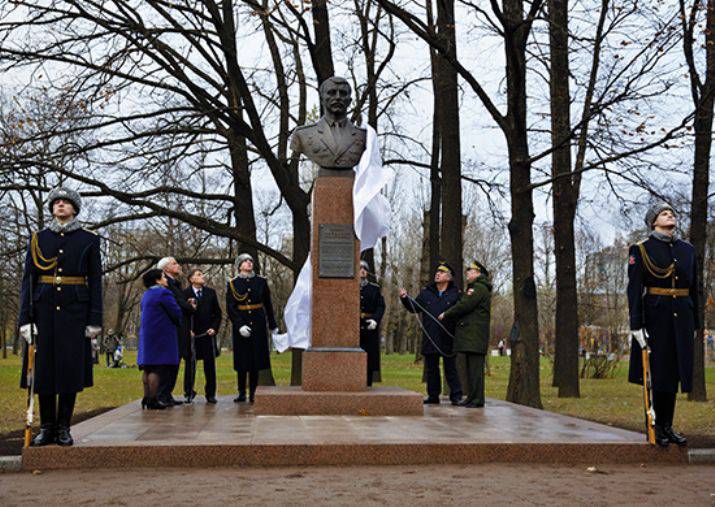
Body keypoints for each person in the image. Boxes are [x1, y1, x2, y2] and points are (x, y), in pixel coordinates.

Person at [18, 187, 103, 446]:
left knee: (68, 370)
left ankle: (64, 427)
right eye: (57, 202)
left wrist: (94, 320)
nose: (61, 205)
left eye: (66, 202)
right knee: (43, 370)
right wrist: (25, 318)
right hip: (43, 311)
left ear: (75, 209)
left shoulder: (89, 239)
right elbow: (28, 281)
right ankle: (47, 427)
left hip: (74, 312)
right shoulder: (38, 239)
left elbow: (95, 281)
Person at [627, 203, 697, 447]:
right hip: (657, 317)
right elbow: (634, 289)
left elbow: (694, 288)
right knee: (658, 373)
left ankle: (668, 424)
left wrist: (695, 322)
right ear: (653, 221)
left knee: (675, 372)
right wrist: (636, 324)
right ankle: (655, 425)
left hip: (682, 317)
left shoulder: (687, 250)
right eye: (664, 213)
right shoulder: (642, 249)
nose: (671, 215)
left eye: (672, 213)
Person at [399, 261, 462, 405]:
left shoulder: (456, 294)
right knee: (432, 369)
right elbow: (414, 308)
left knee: (450, 368)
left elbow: (460, 312)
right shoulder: (426, 292)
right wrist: (404, 298)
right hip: (430, 336)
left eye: (442, 272)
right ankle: (433, 396)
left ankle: (456, 396)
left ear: (449, 277)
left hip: (448, 337)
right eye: (437, 272)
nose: (438, 274)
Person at [439, 261, 492, 408]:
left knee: (475, 371)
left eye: (470, 270)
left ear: (478, 272)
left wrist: (446, 314)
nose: (467, 272)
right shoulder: (476, 288)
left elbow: (465, 305)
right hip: (471, 336)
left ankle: (477, 400)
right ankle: (471, 398)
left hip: (474, 336)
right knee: (471, 370)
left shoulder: (478, 288)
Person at [226, 254, 278, 403]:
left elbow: (268, 304)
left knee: (255, 359)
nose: (249, 263)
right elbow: (231, 307)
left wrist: (273, 325)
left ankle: (254, 392)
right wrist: (239, 324)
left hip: (258, 321)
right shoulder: (232, 283)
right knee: (242, 358)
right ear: (239, 265)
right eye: (245, 261)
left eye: (250, 261)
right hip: (241, 322)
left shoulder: (261, 281)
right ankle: (242, 392)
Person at [137, 269, 182, 410]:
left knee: (147, 367)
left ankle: (146, 397)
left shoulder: (146, 294)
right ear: (157, 280)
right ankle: (153, 399)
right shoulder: (163, 293)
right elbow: (176, 312)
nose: (166, 279)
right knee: (157, 368)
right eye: (163, 277)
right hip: (161, 334)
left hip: (147, 334)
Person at [156, 257, 195, 405]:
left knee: (176, 361)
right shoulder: (165, 284)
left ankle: (167, 394)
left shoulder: (175, 283)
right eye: (174, 263)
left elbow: (181, 301)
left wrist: (187, 304)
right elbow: (177, 303)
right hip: (172, 327)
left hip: (180, 326)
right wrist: (189, 307)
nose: (178, 265)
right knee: (169, 361)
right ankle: (161, 394)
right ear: (165, 268)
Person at [183, 268, 222, 404]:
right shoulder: (184, 293)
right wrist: (188, 329)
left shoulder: (210, 293)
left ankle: (210, 394)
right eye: (199, 275)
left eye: (202, 274)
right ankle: (188, 393)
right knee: (190, 366)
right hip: (192, 335)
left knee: (210, 366)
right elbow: (182, 315)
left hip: (208, 334)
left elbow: (218, 314)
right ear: (191, 279)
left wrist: (214, 328)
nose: (202, 276)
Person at [359, 260, 385, 387]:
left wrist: (375, 319)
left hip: (370, 325)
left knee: (369, 356)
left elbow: (380, 306)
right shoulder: (349, 288)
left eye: (365, 268)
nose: (362, 271)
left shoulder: (374, 288)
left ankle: (368, 383)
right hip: (354, 326)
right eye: (360, 268)